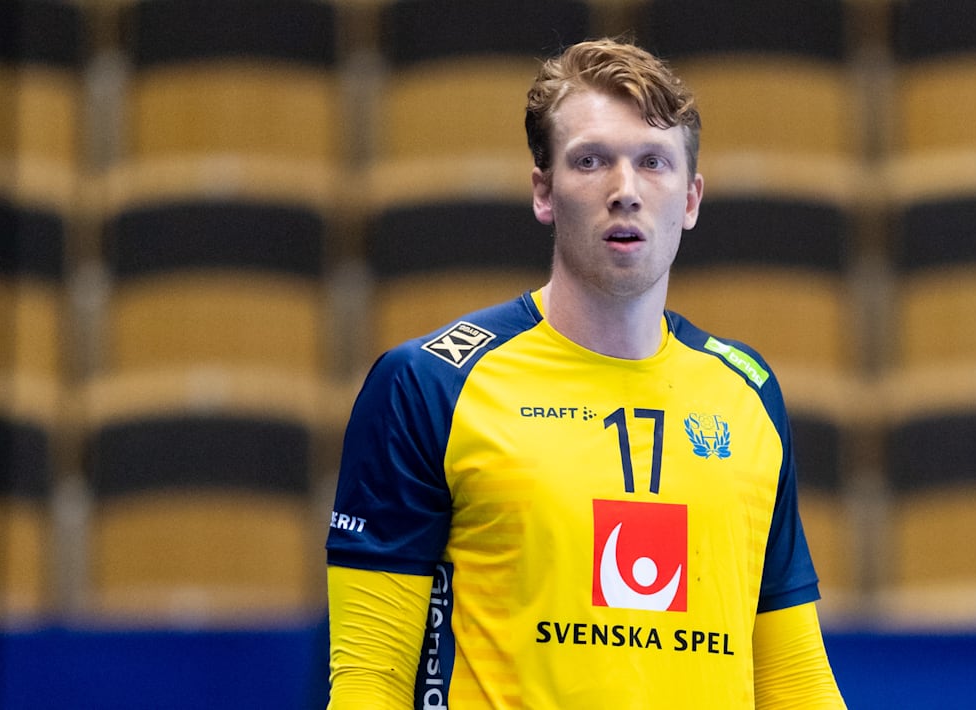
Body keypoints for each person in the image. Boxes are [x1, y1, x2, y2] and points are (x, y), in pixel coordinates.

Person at [325, 37, 846, 708]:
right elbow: (369, 680)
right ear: (544, 191)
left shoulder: (747, 392)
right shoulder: (429, 385)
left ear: (691, 200)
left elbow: (795, 678)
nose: (624, 191)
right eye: (591, 160)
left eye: (653, 162)